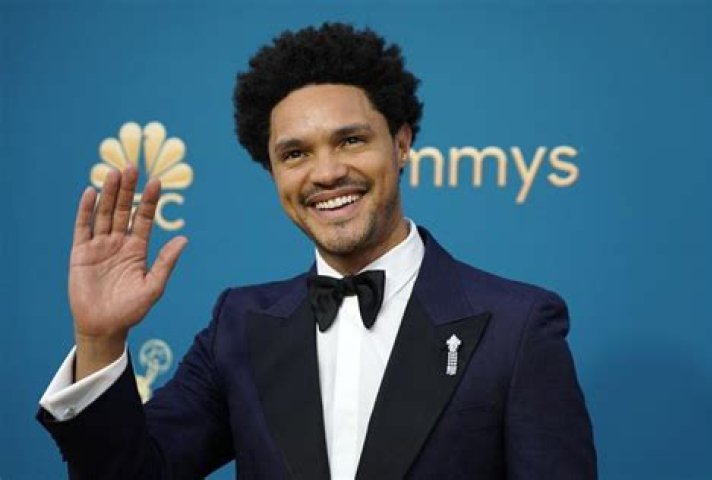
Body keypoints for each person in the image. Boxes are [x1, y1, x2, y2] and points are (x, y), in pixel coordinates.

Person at [38, 23, 597, 479]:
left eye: (351, 140)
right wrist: (99, 339)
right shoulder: (239, 326)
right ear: (273, 172)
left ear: (401, 143)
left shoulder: (516, 325)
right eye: (295, 154)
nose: (326, 173)